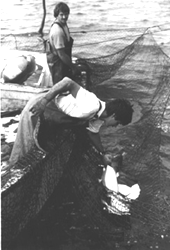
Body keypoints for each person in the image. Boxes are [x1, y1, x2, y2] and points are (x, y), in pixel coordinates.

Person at [9, 77, 134, 166]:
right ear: (113, 116)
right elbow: (67, 82)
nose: (114, 126)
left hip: (51, 116)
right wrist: (43, 102)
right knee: (26, 147)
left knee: (37, 148)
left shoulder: (98, 118)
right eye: (117, 123)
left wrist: (103, 153)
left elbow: (93, 133)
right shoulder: (92, 105)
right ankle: (12, 168)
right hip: (38, 109)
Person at [46, 2, 78, 84]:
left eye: (66, 14)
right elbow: (61, 54)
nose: (64, 17)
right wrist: (73, 66)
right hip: (58, 64)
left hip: (63, 62)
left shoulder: (63, 24)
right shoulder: (57, 31)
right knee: (60, 87)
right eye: (61, 14)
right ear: (56, 15)